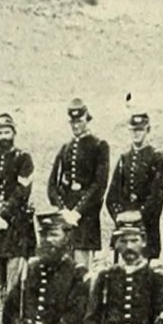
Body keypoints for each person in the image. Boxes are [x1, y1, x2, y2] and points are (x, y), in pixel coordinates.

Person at [0, 113, 36, 296]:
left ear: (14, 133)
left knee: (15, 283)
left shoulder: (23, 158)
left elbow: (22, 192)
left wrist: (3, 215)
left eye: (7, 132)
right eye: (0, 133)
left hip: (16, 228)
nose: (3, 137)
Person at [47, 98, 110, 270]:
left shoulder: (99, 146)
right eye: (73, 122)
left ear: (87, 119)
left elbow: (99, 185)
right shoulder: (65, 148)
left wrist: (77, 212)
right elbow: (52, 185)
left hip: (86, 217)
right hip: (66, 218)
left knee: (82, 272)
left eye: (80, 121)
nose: (76, 126)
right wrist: (63, 210)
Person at [105, 111, 163, 262]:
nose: (136, 134)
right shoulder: (124, 159)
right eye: (133, 130)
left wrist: (140, 214)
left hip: (146, 226)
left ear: (148, 130)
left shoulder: (157, 159)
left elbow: (157, 195)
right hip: (124, 226)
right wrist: (119, 215)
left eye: (140, 130)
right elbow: (111, 196)